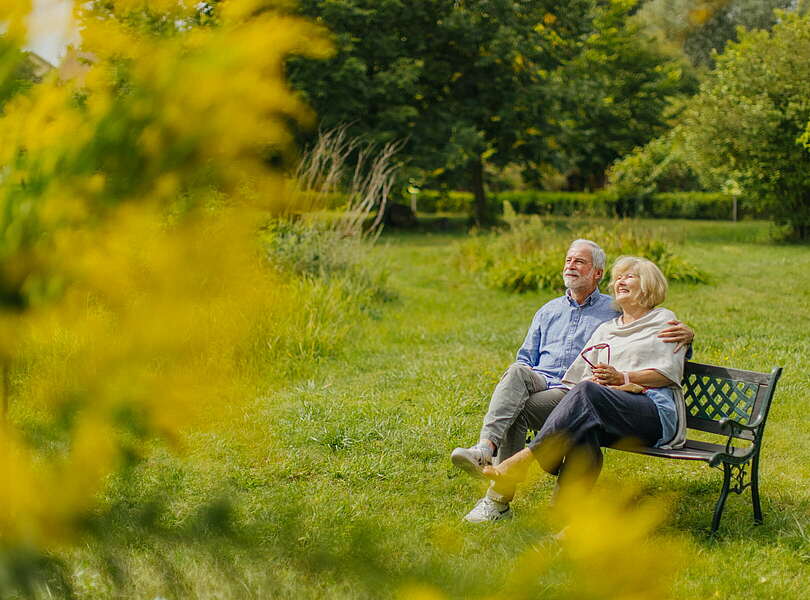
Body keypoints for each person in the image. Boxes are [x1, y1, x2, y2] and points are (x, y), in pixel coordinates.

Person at [450, 240, 693, 523]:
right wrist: (601, 381)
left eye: (629, 277)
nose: (620, 282)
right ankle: (550, 511)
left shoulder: (659, 319)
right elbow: (571, 370)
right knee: (534, 401)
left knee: (585, 395)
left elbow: (669, 366)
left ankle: (519, 463)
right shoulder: (605, 326)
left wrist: (626, 375)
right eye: (619, 278)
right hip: (591, 400)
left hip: (646, 408)